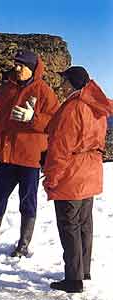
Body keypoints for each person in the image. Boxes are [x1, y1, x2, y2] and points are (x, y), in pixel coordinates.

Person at [0, 49, 60, 260]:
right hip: (6, 156)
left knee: (27, 202)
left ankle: (23, 245)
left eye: (21, 65)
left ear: (32, 68)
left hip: (30, 158)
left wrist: (33, 118)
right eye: (16, 64)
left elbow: (56, 124)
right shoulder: (4, 90)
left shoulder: (44, 91)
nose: (17, 68)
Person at [43, 66, 113, 293]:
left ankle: (73, 280)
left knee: (69, 225)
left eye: (64, 81)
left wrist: (51, 178)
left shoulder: (72, 108)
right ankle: (83, 270)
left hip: (72, 173)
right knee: (84, 223)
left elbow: (60, 149)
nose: (61, 85)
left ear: (72, 83)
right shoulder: (97, 106)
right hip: (90, 169)